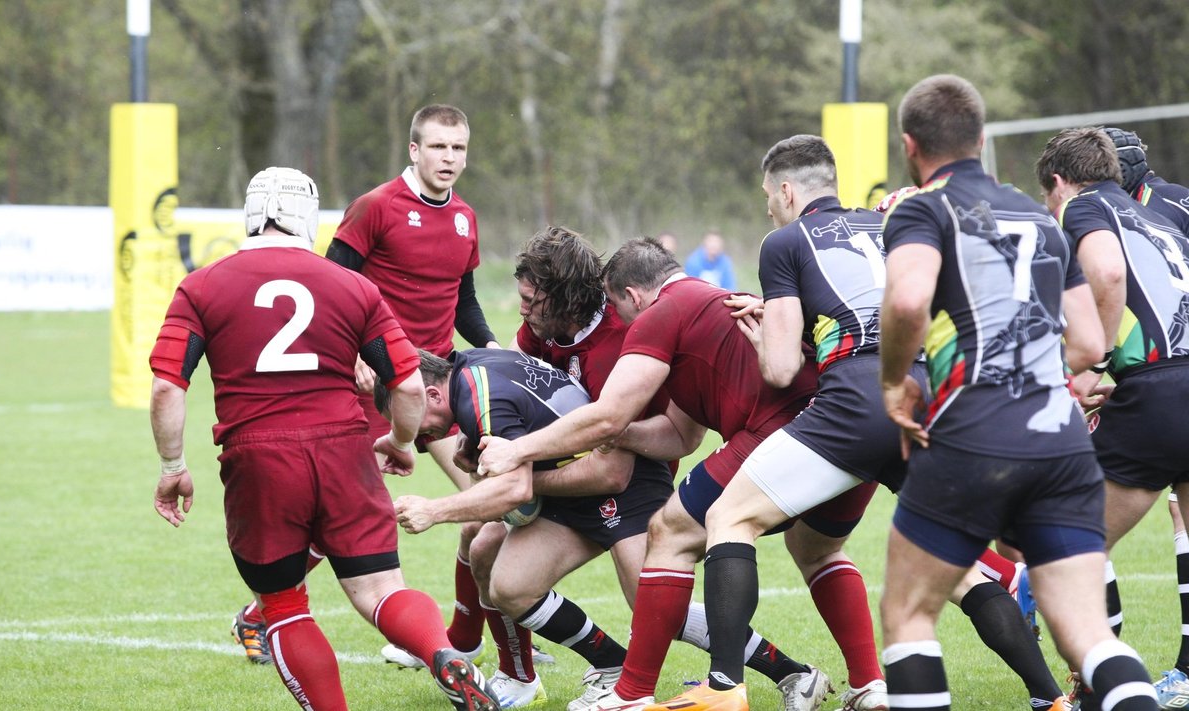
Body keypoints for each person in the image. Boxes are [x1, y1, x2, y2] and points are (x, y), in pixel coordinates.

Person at [697, 135, 1071, 711]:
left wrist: (765, 333)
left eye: (768, 196)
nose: (768, 207)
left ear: (788, 190)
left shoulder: (784, 242)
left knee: (728, 516)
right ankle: (1049, 699)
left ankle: (723, 690)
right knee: (963, 569)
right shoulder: (893, 225)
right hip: (926, 402)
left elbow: (780, 370)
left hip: (855, 403)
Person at [393, 227, 826, 711]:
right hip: (574, 476)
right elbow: (516, 401)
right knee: (495, 562)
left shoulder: (625, 338)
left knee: (657, 607)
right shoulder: (538, 333)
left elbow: (614, 469)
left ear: (564, 300)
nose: (522, 310)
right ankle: (587, 667)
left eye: (532, 300)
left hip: (631, 483)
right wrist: (486, 447)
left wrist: (518, 478)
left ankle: (792, 673)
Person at [478, 238, 887, 711]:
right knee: (820, 550)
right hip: (848, 420)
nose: (523, 311)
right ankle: (868, 685)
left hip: (696, 460)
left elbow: (623, 435)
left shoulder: (650, 320)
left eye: (532, 301)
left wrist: (521, 461)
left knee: (672, 546)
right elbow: (679, 431)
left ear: (629, 297)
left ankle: (670, 692)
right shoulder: (681, 308)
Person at [148, 167, 498, 711]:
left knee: (285, 606)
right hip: (344, 450)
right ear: (309, 218)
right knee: (382, 590)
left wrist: (173, 466)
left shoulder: (201, 285)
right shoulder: (355, 286)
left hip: (259, 458)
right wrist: (402, 443)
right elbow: (407, 384)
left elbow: (167, 389)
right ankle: (441, 652)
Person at [876, 74, 1157, 711]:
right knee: (1087, 635)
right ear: (981, 139)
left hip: (971, 433)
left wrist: (895, 384)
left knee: (909, 616)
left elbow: (910, 298)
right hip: (1060, 440)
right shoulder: (1038, 214)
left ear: (909, 145)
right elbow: (1088, 342)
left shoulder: (922, 208)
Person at [230, 104, 505, 668]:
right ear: (414, 150)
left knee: (484, 508)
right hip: (376, 387)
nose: (449, 158)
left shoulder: (466, 218)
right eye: (438, 147)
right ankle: (261, 610)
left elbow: (465, 300)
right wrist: (355, 351)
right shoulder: (376, 207)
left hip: (438, 392)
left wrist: (493, 347)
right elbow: (333, 282)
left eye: (458, 148)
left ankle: (462, 640)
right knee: (354, 518)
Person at [1037, 126, 1189, 709]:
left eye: (1049, 200)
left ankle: (1098, 688)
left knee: (1065, 542)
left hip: (1160, 395)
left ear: (1058, 183)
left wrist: (1090, 360)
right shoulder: (1158, 216)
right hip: (1171, 384)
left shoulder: (1084, 206)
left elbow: (1103, 273)